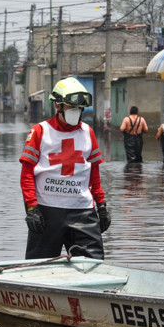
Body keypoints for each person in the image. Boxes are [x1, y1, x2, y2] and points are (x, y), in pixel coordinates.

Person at [19, 77, 111, 260]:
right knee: (40, 267)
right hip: (47, 211)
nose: (76, 112)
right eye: (71, 107)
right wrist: (31, 209)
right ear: (58, 106)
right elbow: (27, 174)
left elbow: (94, 175)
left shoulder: (87, 132)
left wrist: (101, 206)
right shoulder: (39, 131)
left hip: (82, 211)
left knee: (93, 265)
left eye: (79, 108)